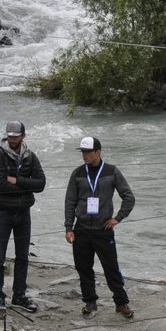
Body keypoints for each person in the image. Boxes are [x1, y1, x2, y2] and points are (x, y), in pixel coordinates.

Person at [64, 135, 135, 319]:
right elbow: (70, 201)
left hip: (104, 229)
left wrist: (118, 218)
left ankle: (121, 303)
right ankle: (90, 302)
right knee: (83, 268)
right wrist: (68, 227)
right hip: (81, 229)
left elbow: (129, 197)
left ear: (98, 152)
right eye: (82, 152)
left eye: (87, 152)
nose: (84, 156)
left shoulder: (112, 171)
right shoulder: (78, 173)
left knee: (111, 267)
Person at [0, 120, 45, 315]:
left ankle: (19, 295)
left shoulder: (30, 156)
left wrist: (17, 180)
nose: (12, 139)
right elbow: (0, 183)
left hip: (24, 214)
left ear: (23, 136)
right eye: (9, 136)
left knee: (22, 257)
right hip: (3, 213)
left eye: (16, 136)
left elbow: (41, 184)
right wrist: (25, 186)